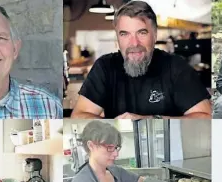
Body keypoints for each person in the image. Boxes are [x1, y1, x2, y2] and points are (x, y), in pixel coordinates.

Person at [71, 1, 211, 119]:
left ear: (154, 36)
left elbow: (206, 117)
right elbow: (79, 116)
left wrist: (151, 121)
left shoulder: (176, 67)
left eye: (142, 33)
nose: (134, 43)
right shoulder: (105, 67)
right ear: (118, 38)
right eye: (124, 34)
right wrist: (117, 127)